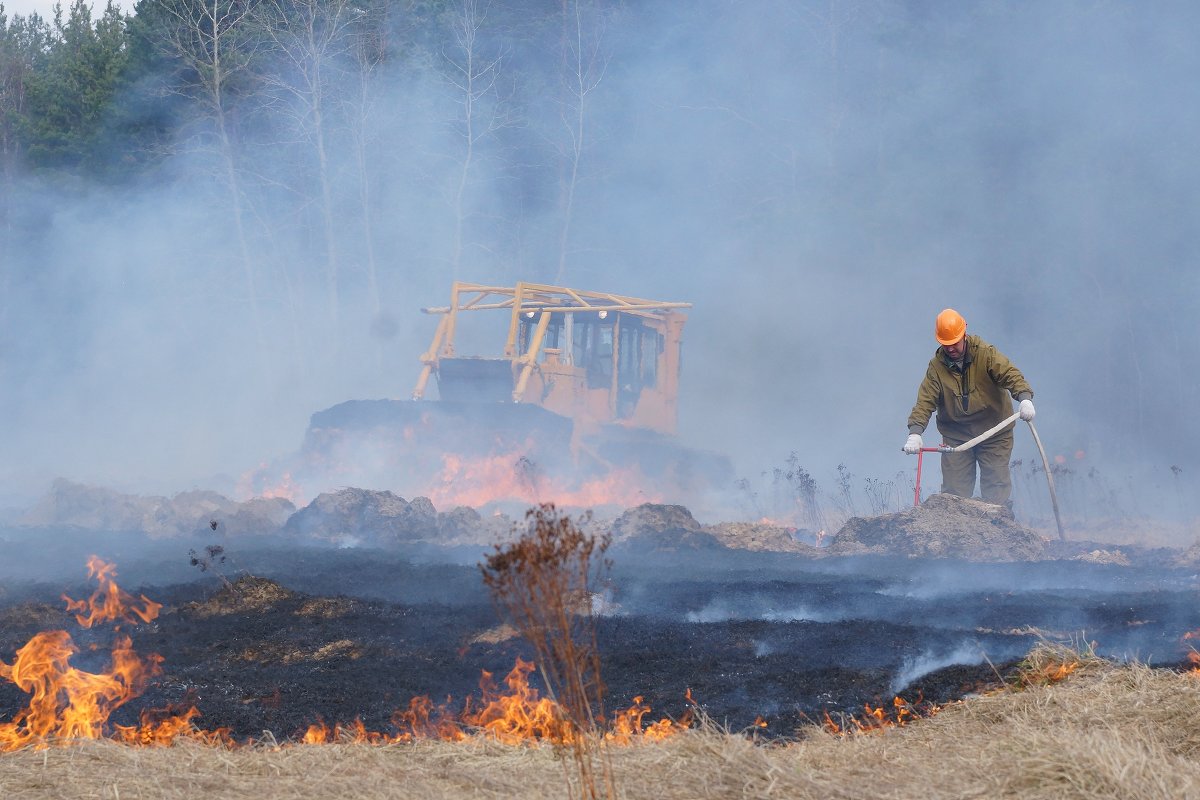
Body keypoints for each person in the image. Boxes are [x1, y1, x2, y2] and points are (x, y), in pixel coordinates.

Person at [903, 308, 1035, 506]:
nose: (950, 349)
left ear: (964, 334)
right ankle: (954, 535)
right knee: (953, 496)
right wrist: (915, 432)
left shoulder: (986, 354)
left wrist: (1024, 398)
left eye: (954, 343)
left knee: (995, 490)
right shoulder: (936, 368)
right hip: (957, 438)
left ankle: (998, 532)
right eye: (945, 344)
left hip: (994, 433)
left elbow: (1010, 375)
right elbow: (925, 401)